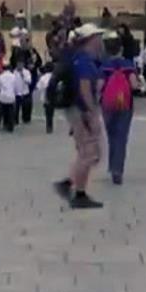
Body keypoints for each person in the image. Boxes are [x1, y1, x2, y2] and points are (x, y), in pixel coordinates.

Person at [53, 24, 106, 209]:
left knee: (86, 151)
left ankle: (69, 184)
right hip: (82, 110)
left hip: (76, 110)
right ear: (90, 40)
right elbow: (85, 89)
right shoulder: (83, 61)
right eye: (98, 37)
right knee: (89, 153)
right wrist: (91, 112)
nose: (100, 41)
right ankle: (78, 193)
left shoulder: (79, 58)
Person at [100, 38, 138, 184]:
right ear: (121, 49)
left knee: (112, 137)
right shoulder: (128, 65)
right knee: (121, 137)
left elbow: (99, 86)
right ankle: (118, 170)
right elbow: (134, 85)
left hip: (108, 105)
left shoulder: (104, 66)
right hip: (125, 105)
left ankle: (112, 166)